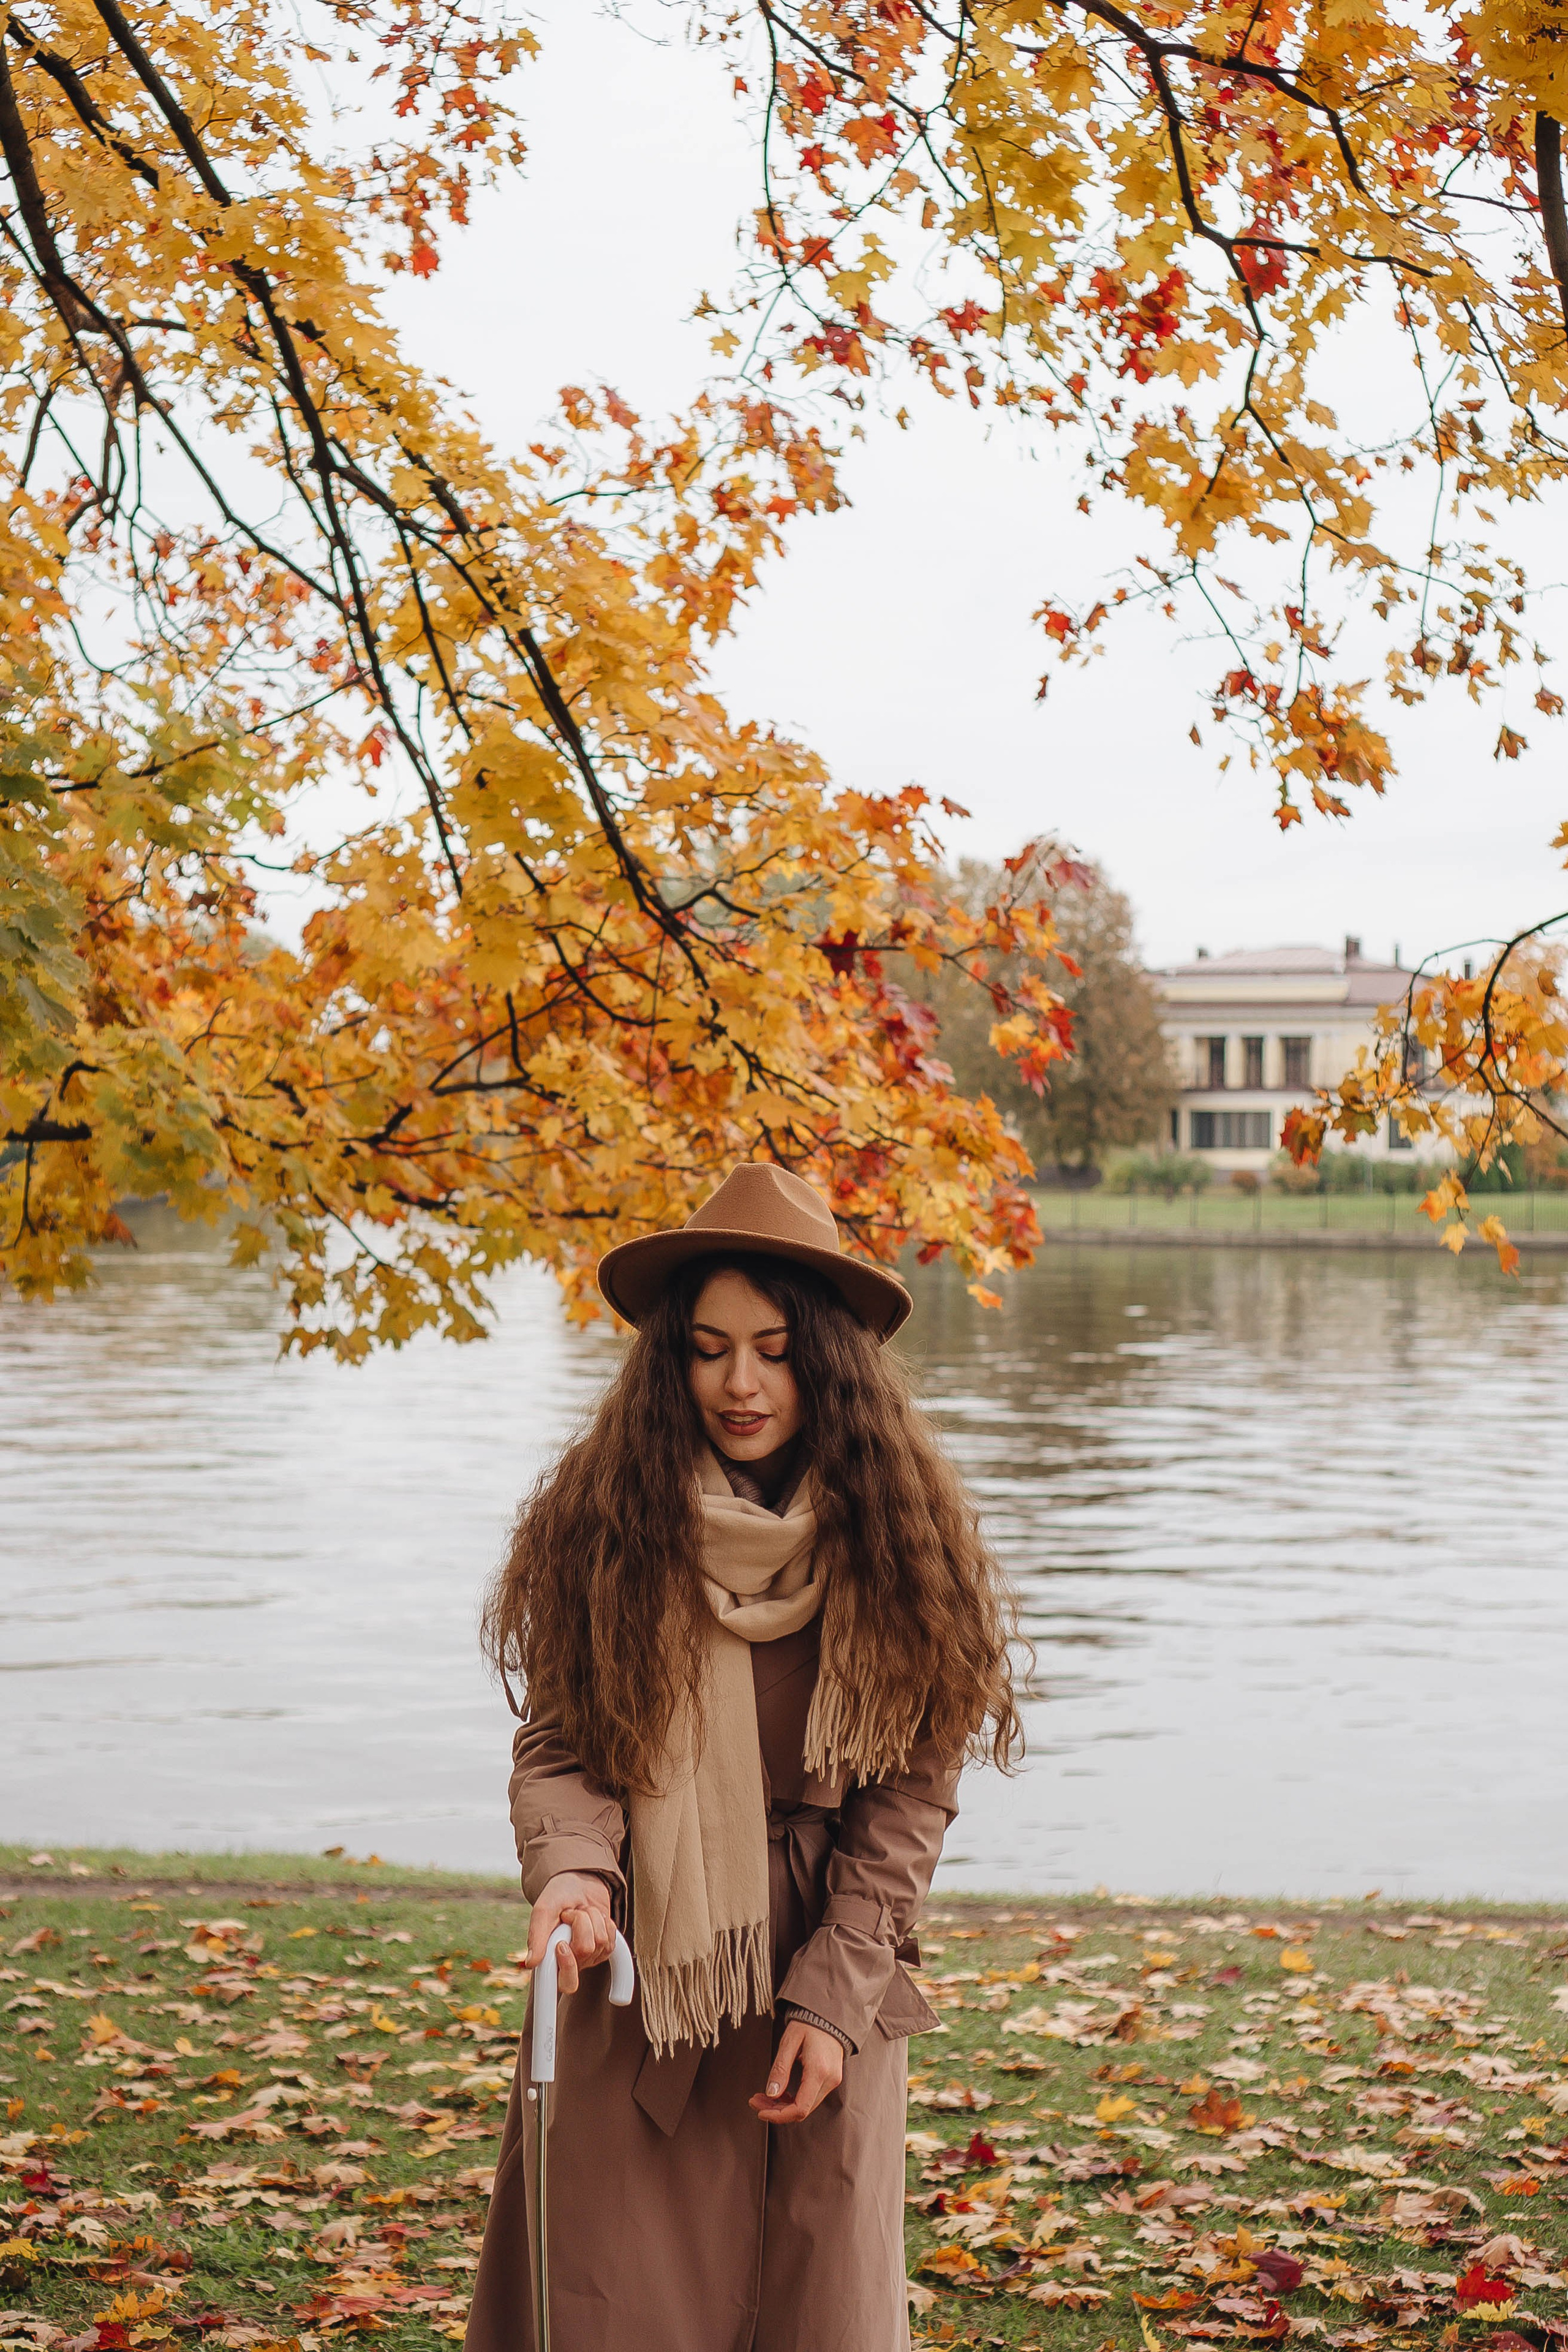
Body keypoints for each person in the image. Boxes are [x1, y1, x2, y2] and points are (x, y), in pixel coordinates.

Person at [465, 1163, 1022, 2352]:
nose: (739, 1383)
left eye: (772, 1349)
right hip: (642, 1979)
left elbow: (910, 1796)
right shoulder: (607, 1516)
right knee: (617, 2300)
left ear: (823, 1358)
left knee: (815, 2305)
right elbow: (563, 1736)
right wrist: (571, 1870)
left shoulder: (896, 1537)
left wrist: (835, 1993)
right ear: (670, 1358)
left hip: (825, 1978)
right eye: (708, 1347)